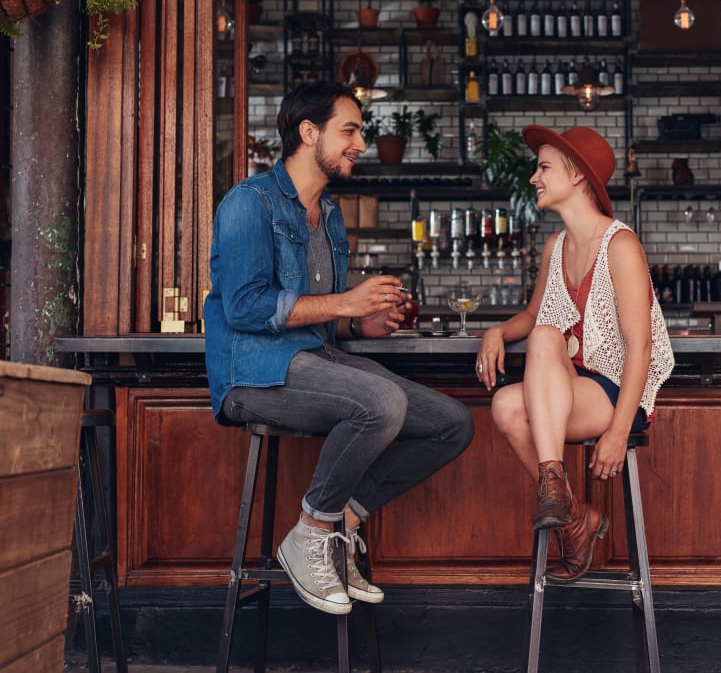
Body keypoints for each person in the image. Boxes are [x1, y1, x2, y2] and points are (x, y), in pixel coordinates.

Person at [204, 82, 475, 615]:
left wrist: (363, 323)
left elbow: (324, 315)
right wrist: (345, 304)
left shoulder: (328, 214)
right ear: (309, 133)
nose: (360, 144)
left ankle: (339, 525)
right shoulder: (248, 203)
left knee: (453, 423)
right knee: (380, 402)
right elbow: (244, 308)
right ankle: (308, 534)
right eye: (349, 131)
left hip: (315, 361)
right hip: (252, 373)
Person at [475, 125, 674, 582]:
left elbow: (640, 347)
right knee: (505, 402)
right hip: (572, 385)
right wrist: (497, 332)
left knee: (544, 339)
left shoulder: (621, 245)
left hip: (617, 390)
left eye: (543, 168)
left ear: (578, 176)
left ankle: (561, 502)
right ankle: (574, 511)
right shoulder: (556, 246)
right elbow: (532, 313)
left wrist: (619, 433)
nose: (534, 178)